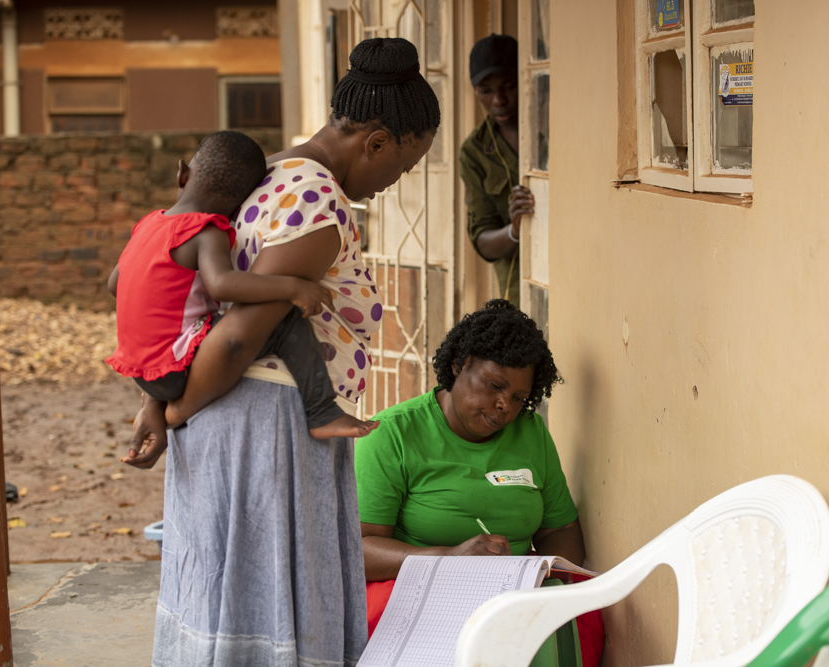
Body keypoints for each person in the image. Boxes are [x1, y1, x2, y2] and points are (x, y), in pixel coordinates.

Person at [127, 37, 440, 667]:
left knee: (225, 601)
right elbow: (243, 332)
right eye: (402, 166)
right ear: (376, 140)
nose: (392, 183)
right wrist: (172, 411)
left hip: (231, 414)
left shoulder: (264, 171)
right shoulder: (317, 204)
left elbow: (179, 298)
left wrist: (155, 400)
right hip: (265, 425)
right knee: (271, 614)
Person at [355, 299, 605, 667]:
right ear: (459, 363)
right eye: (494, 385)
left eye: (519, 397)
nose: (505, 405)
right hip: (418, 592)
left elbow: (561, 527)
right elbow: (358, 550)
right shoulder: (392, 435)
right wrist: (449, 559)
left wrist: (544, 576)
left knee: (583, 614)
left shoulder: (531, 432)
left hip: (511, 596)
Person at [105, 130, 377, 440]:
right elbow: (222, 284)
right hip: (173, 371)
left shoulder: (149, 224)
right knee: (286, 321)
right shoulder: (206, 232)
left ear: (182, 174)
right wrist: (294, 288)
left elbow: (115, 283)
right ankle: (322, 412)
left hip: (140, 369)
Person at [459, 34, 536, 305]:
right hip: (522, 290)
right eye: (486, 90)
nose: (499, 100)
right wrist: (514, 230)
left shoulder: (552, 129)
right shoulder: (474, 152)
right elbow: (483, 241)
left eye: (508, 86)